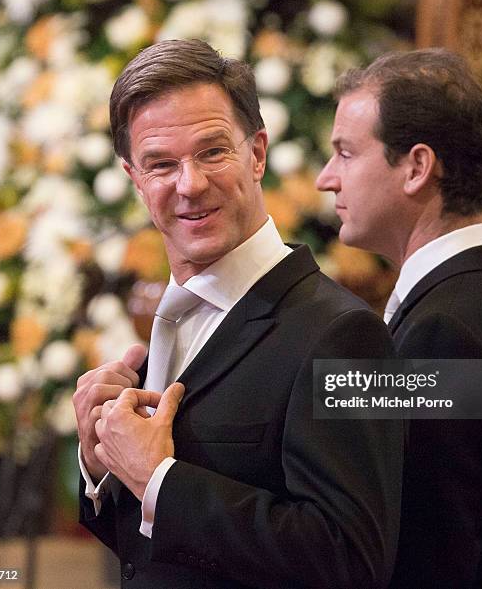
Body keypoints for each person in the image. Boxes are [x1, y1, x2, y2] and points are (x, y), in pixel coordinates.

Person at [73, 39, 404, 589]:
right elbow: (159, 556)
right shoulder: (164, 322)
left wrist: (159, 479)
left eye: (211, 152)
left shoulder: (343, 334)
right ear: (133, 177)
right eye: (160, 164)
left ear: (257, 153)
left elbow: (350, 559)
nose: (190, 184)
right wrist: (104, 466)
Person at [317, 48, 482, 588]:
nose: (325, 178)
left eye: (345, 153)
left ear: (416, 168)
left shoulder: (441, 333)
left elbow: (429, 556)